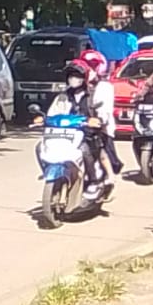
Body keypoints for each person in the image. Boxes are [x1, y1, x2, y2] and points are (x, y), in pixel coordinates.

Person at [46, 59, 104, 197]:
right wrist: (44, 119)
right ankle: (50, 171)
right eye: (71, 76)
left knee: (84, 150)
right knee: (40, 147)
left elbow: (102, 114)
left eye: (77, 76)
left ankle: (93, 181)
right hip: (63, 134)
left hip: (86, 134)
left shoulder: (93, 95)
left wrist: (95, 120)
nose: (74, 79)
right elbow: (52, 113)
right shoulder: (62, 96)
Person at [79, 49, 123, 176]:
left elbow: (106, 111)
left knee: (103, 153)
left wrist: (100, 120)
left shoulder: (105, 87)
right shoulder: (77, 86)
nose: (90, 68)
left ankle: (108, 178)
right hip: (80, 127)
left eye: (93, 65)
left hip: (101, 129)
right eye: (87, 64)